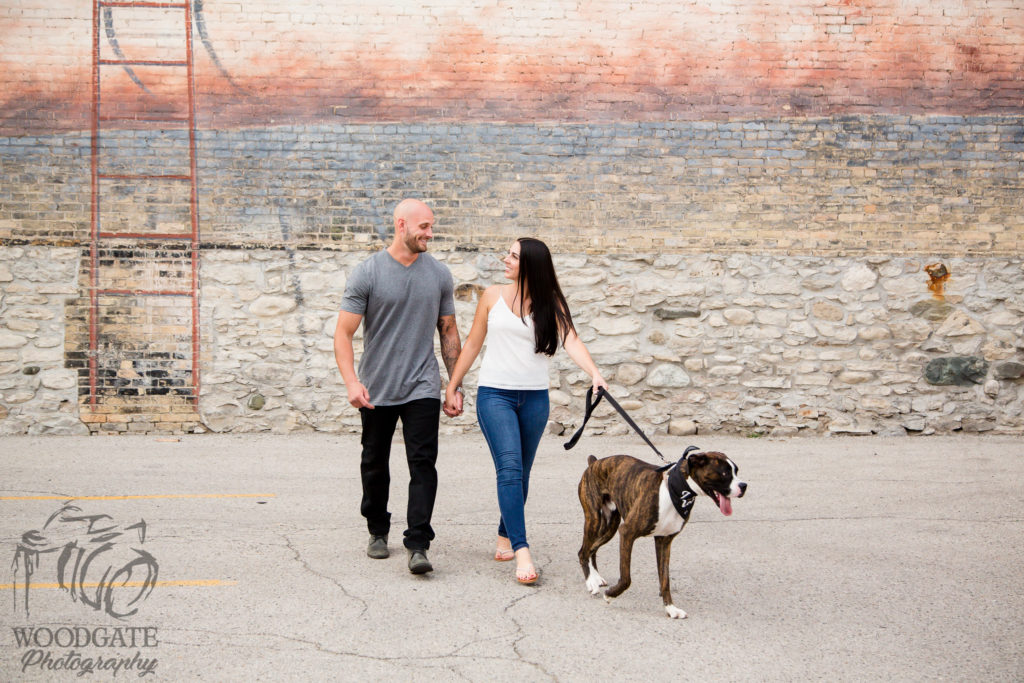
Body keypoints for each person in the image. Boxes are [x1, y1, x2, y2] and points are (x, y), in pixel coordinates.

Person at [444, 237, 607, 585]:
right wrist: (453, 384)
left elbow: (571, 340)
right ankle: (522, 550)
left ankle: (504, 539)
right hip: (495, 396)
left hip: (534, 399)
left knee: (523, 473)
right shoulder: (491, 296)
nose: (506, 259)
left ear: (530, 264)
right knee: (510, 467)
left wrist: (595, 373)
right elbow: (473, 342)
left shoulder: (551, 302)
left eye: (514, 256)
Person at [334, 198, 463, 575]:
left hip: (423, 383)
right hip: (376, 386)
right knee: (374, 462)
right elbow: (343, 334)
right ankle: (377, 528)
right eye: (423, 226)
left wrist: (453, 386)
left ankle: (418, 543)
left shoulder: (439, 274)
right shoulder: (368, 272)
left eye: (431, 226)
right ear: (401, 225)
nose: (430, 233)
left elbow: (449, 331)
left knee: (423, 463)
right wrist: (351, 382)